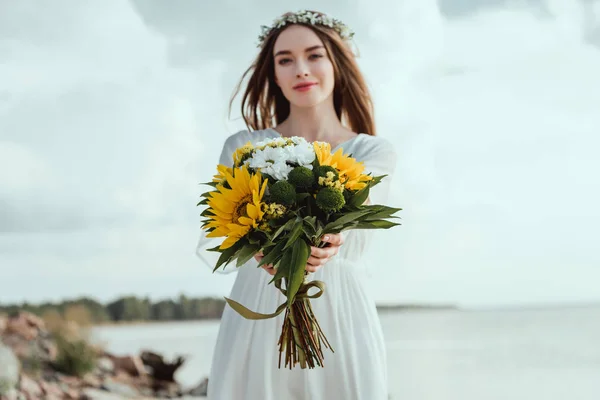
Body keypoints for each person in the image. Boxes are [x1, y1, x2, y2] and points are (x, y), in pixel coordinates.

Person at [196, 9, 398, 400]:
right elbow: (226, 231)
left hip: (342, 313)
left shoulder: (373, 151)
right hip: (258, 304)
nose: (300, 69)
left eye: (314, 55)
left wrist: (329, 239)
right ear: (273, 75)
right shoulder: (243, 147)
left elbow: (358, 205)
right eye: (285, 60)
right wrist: (263, 252)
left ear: (336, 62)